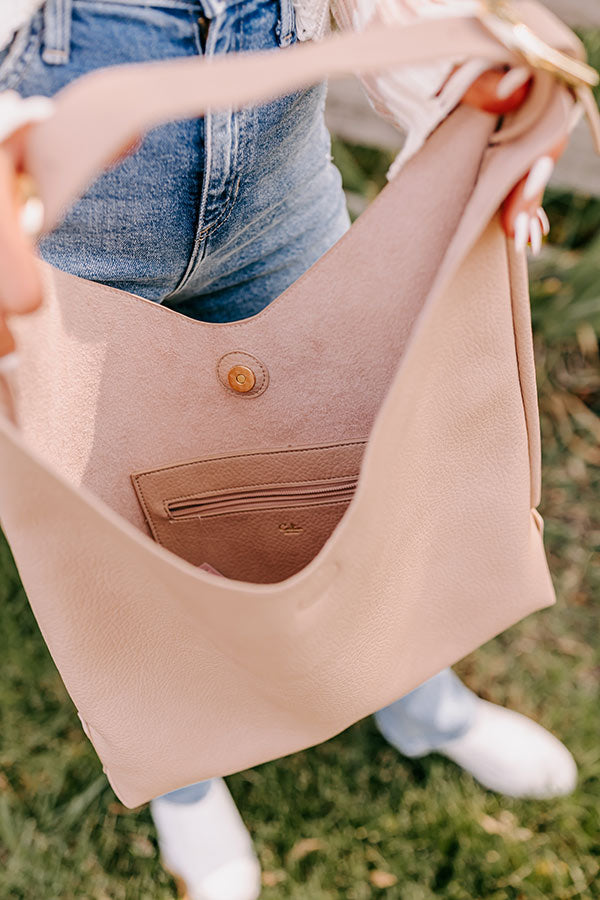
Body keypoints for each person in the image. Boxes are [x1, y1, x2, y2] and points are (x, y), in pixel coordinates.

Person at [0, 1, 578, 898]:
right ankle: (184, 776)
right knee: (123, 558)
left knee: (371, 479)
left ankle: (421, 705)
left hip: (281, 207)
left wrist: (458, 74)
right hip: (64, 254)